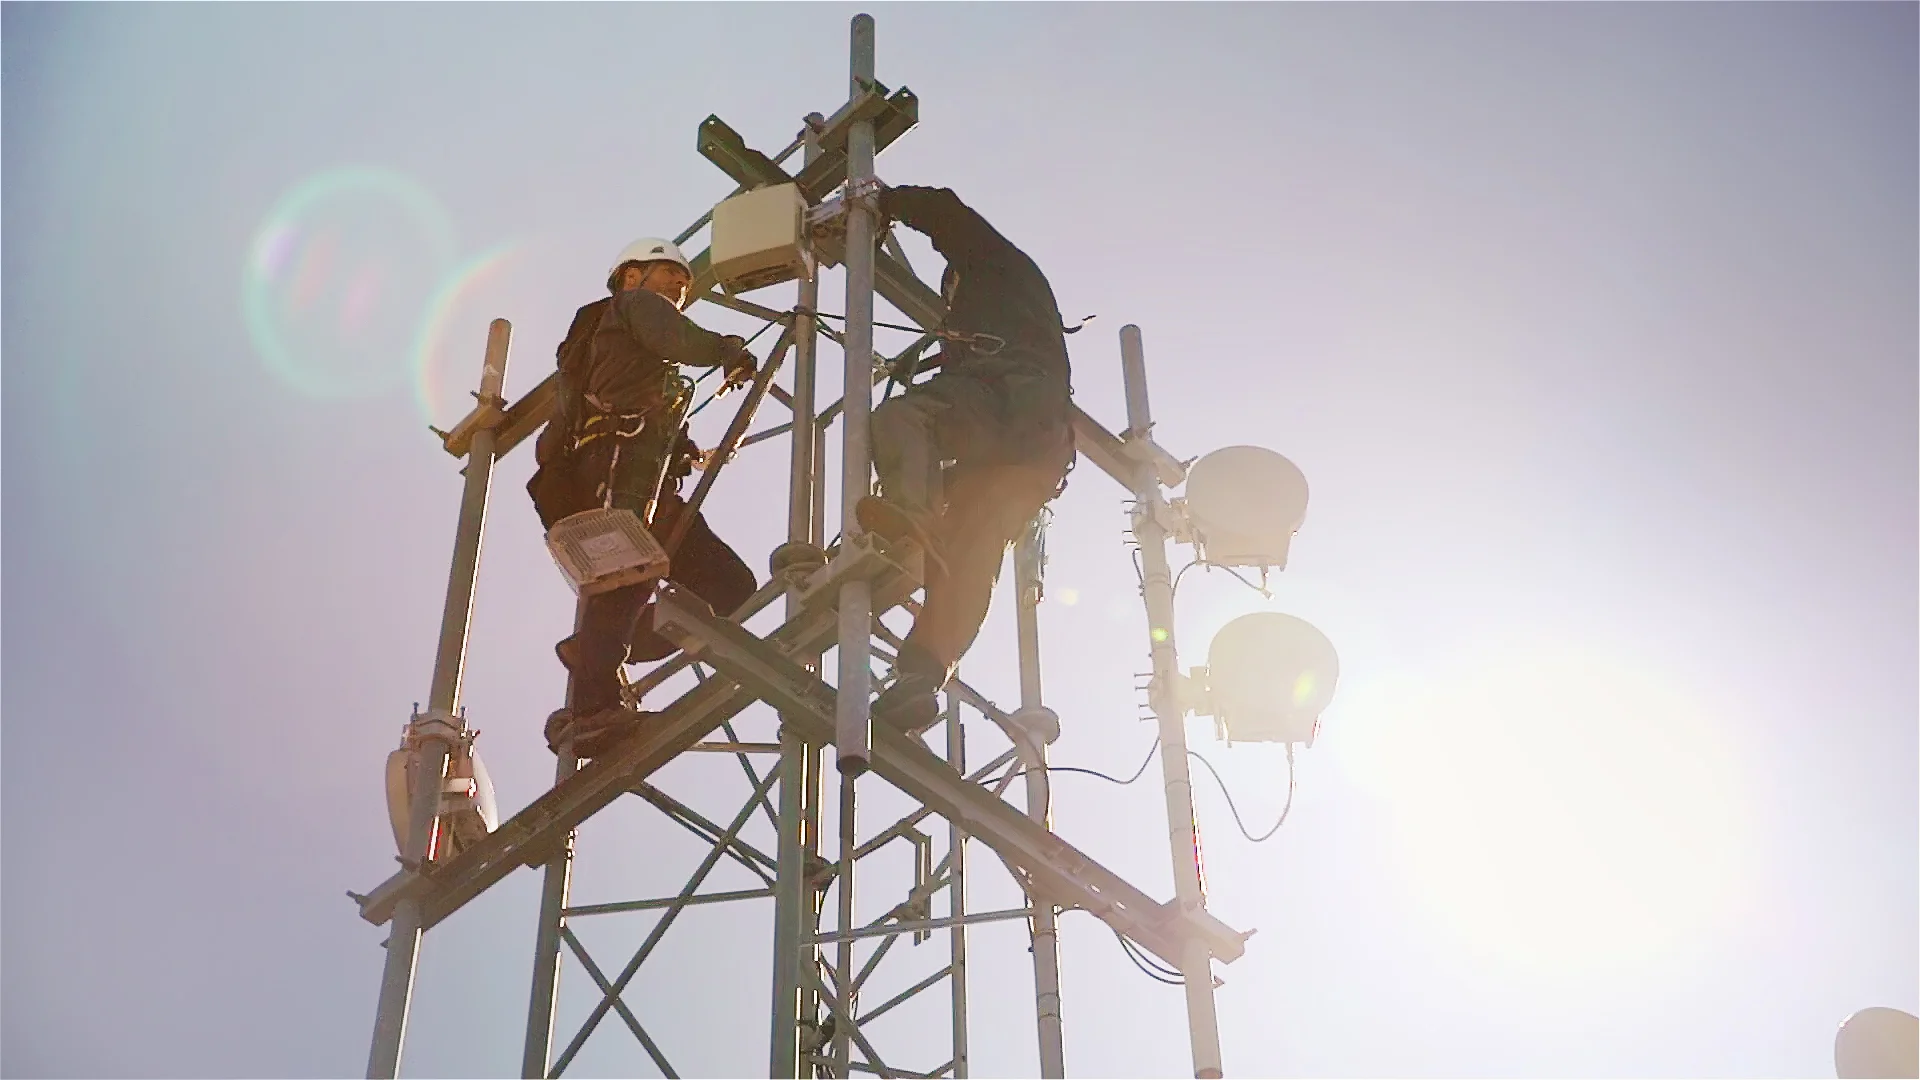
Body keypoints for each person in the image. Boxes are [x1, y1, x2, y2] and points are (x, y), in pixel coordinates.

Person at [857, 186, 1077, 736]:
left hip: (999, 405)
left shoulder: (995, 264)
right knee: (972, 550)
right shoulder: (1025, 318)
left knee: (901, 419)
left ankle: (911, 521)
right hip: (1032, 447)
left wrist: (883, 202)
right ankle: (921, 676)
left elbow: (945, 210)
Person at [527, 237, 759, 758]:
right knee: (625, 581)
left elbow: (636, 388)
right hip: (619, 466)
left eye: (684, 279)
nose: (681, 284)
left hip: (645, 475)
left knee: (731, 587)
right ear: (632, 277)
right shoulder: (634, 308)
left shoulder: (612, 341)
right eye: (669, 274)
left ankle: (595, 653)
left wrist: (680, 445)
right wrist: (725, 349)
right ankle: (593, 707)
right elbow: (676, 339)